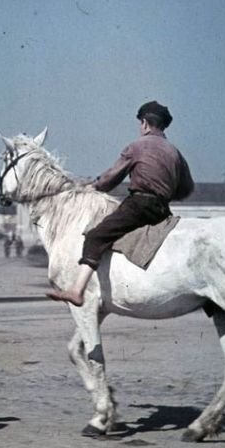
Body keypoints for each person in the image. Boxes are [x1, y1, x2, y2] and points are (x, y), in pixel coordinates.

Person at [46, 101, 194, 307]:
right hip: (162, 209)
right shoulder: (175, 152)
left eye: (140, 123)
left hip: (139, 205)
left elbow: (111, 178)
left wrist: (93, 187)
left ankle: (77, 291)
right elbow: (186, 189)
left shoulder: (136, 147)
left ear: (144, 123)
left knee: (96, 235)